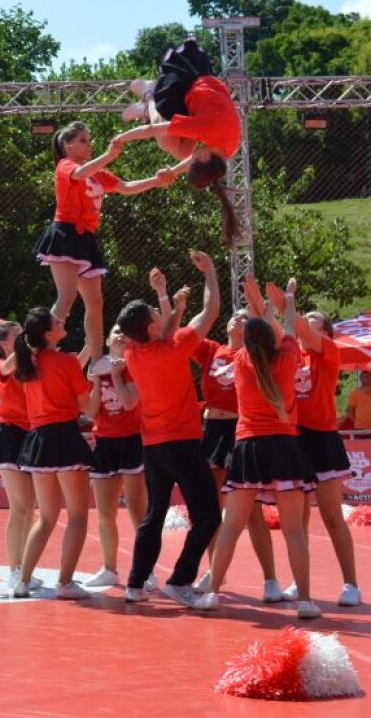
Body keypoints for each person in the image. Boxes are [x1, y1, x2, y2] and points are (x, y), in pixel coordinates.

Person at [196, 281, 321, 619]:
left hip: (248, 447)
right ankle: (306, 601)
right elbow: (286, 324)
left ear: (248, 343)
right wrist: (289, 299)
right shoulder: (289, 357)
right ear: (273, 340)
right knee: (294, 529)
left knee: (232, 525)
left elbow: (261, 329)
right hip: (283, 446)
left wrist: (259, 308)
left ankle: (211, 593)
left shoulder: (238, 360)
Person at [117, 252, 222, 606]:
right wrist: (210, 274)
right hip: (182, 443)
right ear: (150, 326)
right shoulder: (174, 349)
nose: (161, 315)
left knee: (154, 513)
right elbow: (211, 312)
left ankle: (134, 584)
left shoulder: (132, 353)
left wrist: (166, 297)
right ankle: (179, 581)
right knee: (207, 516)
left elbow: (162, 330)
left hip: (154, 445)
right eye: (155, 313)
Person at [34, 121, 174, 363]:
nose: (89, 144)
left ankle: (96, 360)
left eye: (90, 139)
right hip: (65, 235)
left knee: (95, 302)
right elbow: (80, 174)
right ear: (67, 146)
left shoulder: (97, 174)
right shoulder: (65, 166)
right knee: (66, 296)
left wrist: (156, 180)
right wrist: (109, 155)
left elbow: (126, 187)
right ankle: (41, 350)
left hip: (85, 239)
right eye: (83, 140)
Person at [259, 283, 361, 607]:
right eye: (306, 324)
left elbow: (297, 324)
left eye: (316, 326)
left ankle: (350, 584)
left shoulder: (329, 352)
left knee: (332, 517)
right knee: (296, 521)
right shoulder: (292, 353)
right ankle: (298, 583)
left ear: (325, 333)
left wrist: (288, 303)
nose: (307, 329)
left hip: (322, 439)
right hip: (294, 439)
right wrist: (264, 303)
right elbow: (276, 328)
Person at [189, 294, 279, 600]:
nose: (235, 318)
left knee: (251, 511)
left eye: (243, 317)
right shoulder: (213, 350)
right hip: (212, 430)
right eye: (233, 315)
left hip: (240, 431)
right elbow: (188, 333)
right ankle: (216, 572)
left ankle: (270, 579)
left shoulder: (255, 356)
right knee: (214, 509)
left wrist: (264, 310)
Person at [113, 39, 241, 244]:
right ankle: (149, 95)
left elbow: (192, 158)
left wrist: (172, 171)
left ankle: (146, 107)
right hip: (184, 78)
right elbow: (152, 130)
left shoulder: (227, 148)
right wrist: (121, 138)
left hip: (199, 94)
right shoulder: (205, 128)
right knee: (167, 143)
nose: (194, 154)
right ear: (205, 155)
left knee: (180, 152)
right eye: (196, 158)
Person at [9, 308, 93, 600]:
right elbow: (89, 407)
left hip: (39, 440)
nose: (62, 322)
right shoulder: (66, 362)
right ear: (47, 333)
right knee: (78, 515)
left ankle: (23, 579)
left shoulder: (28, 362)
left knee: (45, 518)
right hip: (65, 438)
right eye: (57, 322)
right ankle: (65, 582)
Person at [83, 325, 148, 588]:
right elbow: (90, 411)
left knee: (137, 510)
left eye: (125, 331)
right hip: (105, 443)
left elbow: (130, 402)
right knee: (105, 513)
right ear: (107, 340)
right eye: (115, 331)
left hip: (132, 440)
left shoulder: (136, 364)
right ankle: (109, 568)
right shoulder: (98, 368)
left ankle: (146, 568)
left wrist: (118, 375)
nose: (121, 334)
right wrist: (98, 378)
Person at [0, 321, 36, 590]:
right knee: (20, 506)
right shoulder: (0, 366)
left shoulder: (28, 367)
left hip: (31, 434)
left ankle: (25, 567)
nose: (24, 339)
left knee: (31, 508)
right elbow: (7, 366)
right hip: (10, 435)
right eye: (18, 336)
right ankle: (14, 570)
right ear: (5, 344)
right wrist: (31, 339)